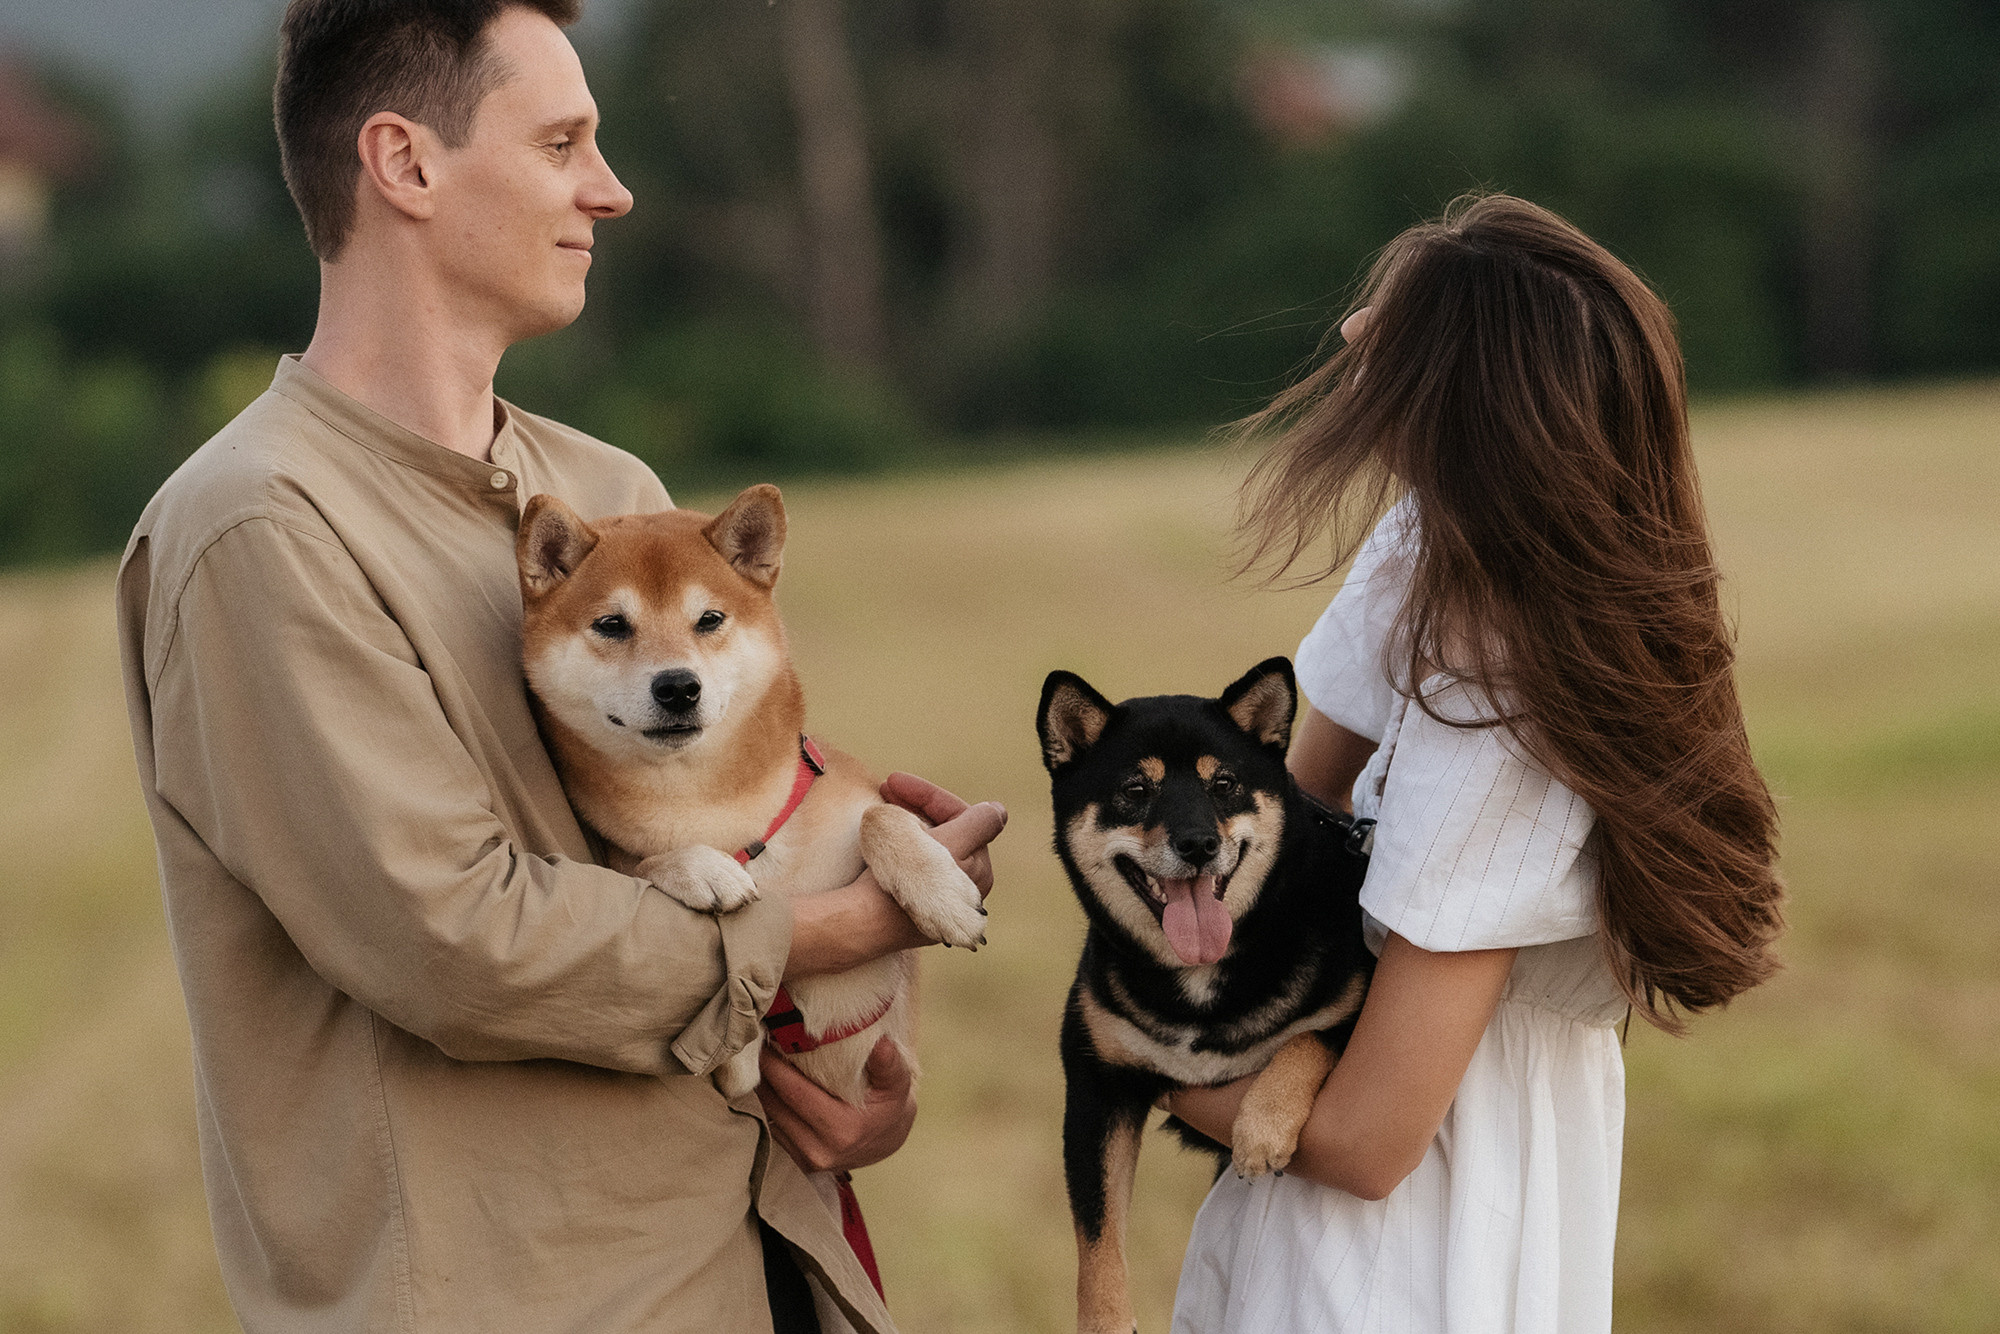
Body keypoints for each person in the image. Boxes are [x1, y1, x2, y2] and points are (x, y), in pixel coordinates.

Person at [112, 2, 1006, 1331]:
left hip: (736, 1268)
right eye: (563, 143)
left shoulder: (608, 493)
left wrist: (851, 1041)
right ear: (405, 164)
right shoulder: (261, 527)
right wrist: (830, 927)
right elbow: (454, 941)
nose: (613, 188)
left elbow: (713, 857)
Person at [1163, 194, 1785, 1332]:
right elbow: (1290, 814)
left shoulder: (1502, 703)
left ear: (1467, 399)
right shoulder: (1427, 541)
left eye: (1392, 326)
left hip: (1420, 1252)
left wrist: (1130, 1047)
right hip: (1321, 1198)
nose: (1351, 332)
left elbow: (1363, 1142)